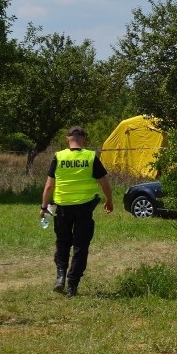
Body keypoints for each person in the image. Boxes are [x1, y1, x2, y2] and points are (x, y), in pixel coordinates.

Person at [40, 126, 113, 297]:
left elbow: (49, 186)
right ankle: (72, 286)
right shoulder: (90, 157)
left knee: (62, 242)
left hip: (63, 209)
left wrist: (44, 208)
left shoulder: (59, 157)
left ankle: (60, 277)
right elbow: (104, 184)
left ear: (68, 138)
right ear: (83, 139)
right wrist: (109, 201)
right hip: (84, 209)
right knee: (81, 246)